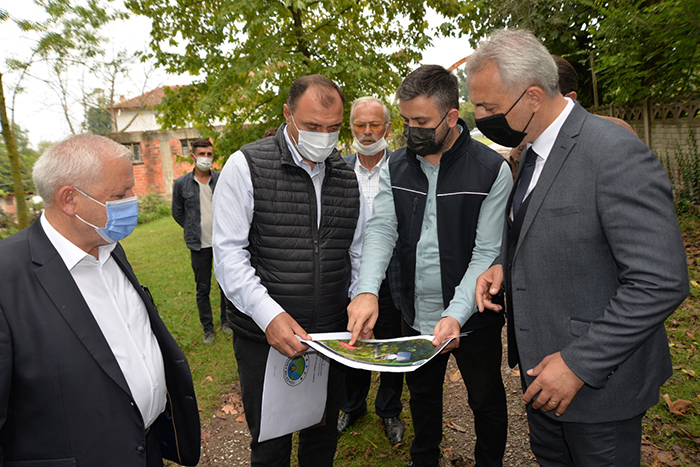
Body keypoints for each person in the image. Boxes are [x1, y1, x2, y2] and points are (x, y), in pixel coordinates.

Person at [469, 29, 689, 466]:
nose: (480, 118)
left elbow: (660, 281)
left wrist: (578, 364)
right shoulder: (532, 151)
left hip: (598, 388)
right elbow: (539, 228)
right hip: (541, 379)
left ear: (533, 96)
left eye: (489, 108)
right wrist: (502, 265)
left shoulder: (613, 153)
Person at [347, 65, 513, 467]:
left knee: (485, 400)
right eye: (405, 121)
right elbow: (382, 228)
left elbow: (486, 252)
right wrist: (367, 290)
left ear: (451, 117)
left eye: (421, 122)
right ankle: (424, 458)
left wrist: (456, 314)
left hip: (473, 318)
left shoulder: (491, 170)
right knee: (422, 395)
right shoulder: (396, 166)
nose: (411, 131)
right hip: (414, 312)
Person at [0, 134, 201, 466]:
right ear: (69, 200)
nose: (133, 200)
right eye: (120, 195)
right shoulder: (7, 277)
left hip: (147, 450)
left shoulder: (108, 245)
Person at [212, 74, 369, 466]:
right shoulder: (246, 165)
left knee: (321, 440)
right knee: (271, 446)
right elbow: (229, 255)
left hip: (329, 337)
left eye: (333, 128)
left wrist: (360, 299)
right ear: (287, 114)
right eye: (313, 126)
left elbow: (357, 250)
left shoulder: (347, 176)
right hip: (265, 337)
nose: (324, 137)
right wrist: (269, 316)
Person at [337, 96, 405, 444]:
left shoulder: (404, 169)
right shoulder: (338, 170)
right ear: (351, 128)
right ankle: (352, 404)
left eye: (374, 124)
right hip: (347, 275)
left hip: (392, 277)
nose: (367, 132)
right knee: (352, 344)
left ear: (387, 128)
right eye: (360, 125)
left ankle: (389, 409)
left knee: (390, 345)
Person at [507, 55, 637, 178]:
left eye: (539, 99)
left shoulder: (615, 135)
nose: (532, 108)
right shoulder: (522, 148)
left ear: (570, 98)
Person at [172, 138, 231, 345]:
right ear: (193, 157)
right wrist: (192, 228)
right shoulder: (181, 184)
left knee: (225, 284)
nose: (206, 158)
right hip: (199, 245)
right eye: (202, 154)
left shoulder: (221, 179)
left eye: (209, 154)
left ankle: (226, 321)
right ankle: (208, 329)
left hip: (222, 243)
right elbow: (178, 213)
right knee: (202, 288)